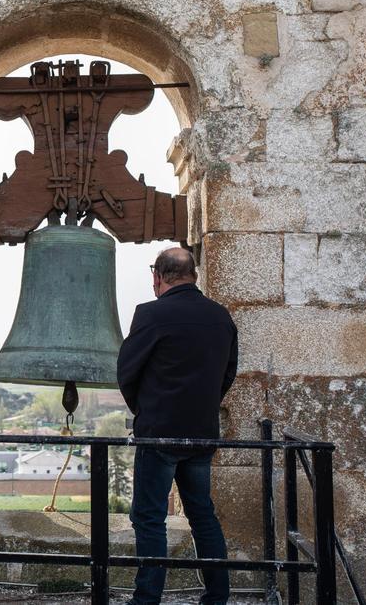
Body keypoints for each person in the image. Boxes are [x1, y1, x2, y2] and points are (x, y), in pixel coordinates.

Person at [117, 247, 238, 605]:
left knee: (149, 517)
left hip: (159, 433)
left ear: (158, 277)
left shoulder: (151, 315)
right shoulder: (221, 317)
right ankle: (217, 597)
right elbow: (228, 372)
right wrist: (202, 407)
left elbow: (127, 372)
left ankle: (147, 599)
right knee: (203, 514)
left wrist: (147, 410)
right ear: (194, 275)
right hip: (201, 433)